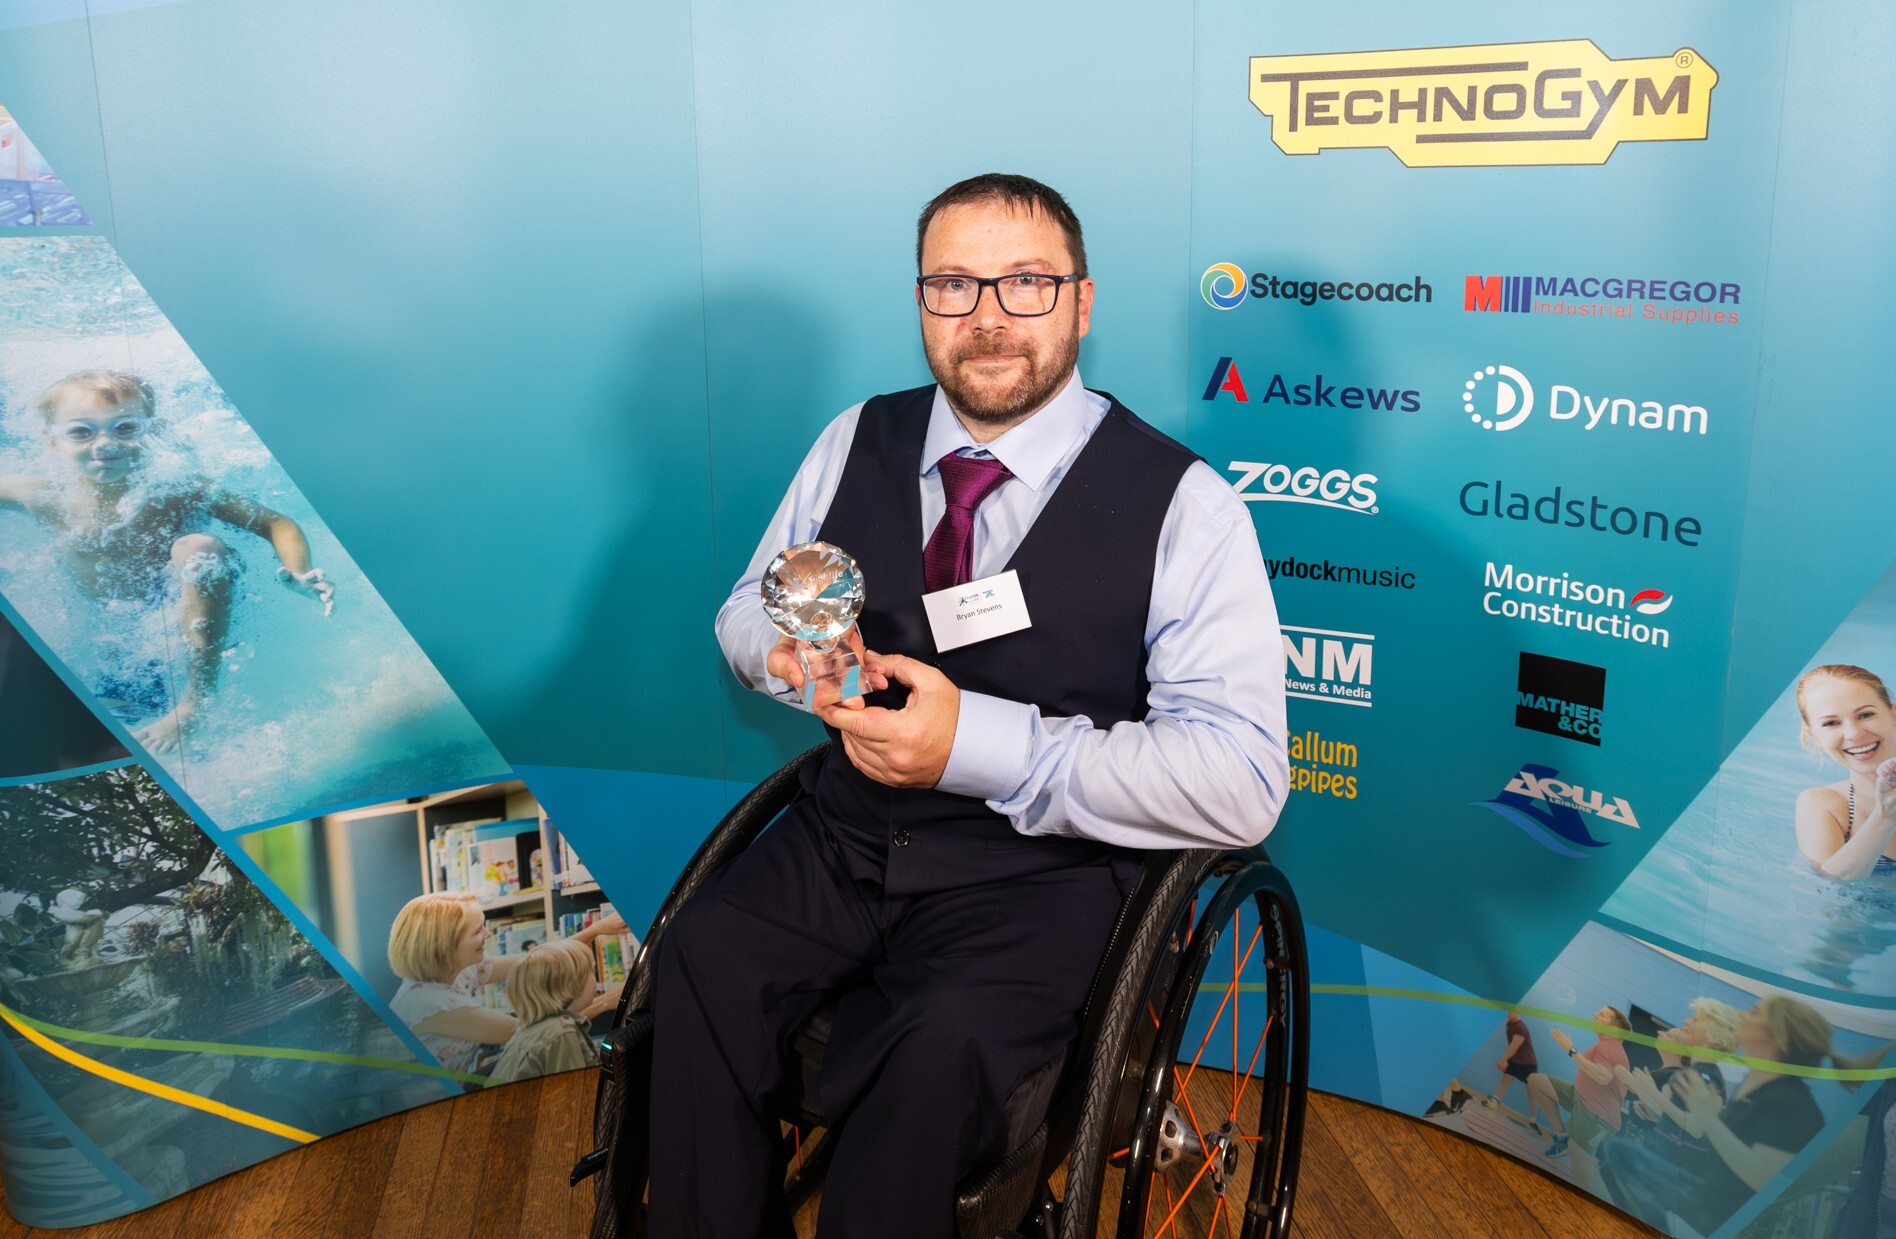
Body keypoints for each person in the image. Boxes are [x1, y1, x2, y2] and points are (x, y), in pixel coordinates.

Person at [649, 173, 1287, 1238]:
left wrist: (980, 746)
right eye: (954, 284)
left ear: (1082, 304)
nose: (988, 317)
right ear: (920, 303)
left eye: (1026, 283)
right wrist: (795, 659)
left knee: (934, 1052)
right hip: (842, 837)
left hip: (1040, 876)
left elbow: (1243, 782)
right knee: (699, 962)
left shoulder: (1191, 509)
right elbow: (742, 615)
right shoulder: (857, 438)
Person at [0, 370, 335, 753]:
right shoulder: (42, 495)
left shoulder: (175, 488)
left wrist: (298, 570)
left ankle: (196, 703)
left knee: (196, 547)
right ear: (52, 439)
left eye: (125, 428)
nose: (105, 443)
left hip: (201, 617)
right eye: (81, 432)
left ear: (151, 431)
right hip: (119, 646)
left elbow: (276, 522)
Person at [1601, 995, 1834, 1234]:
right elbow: (1714, 1136)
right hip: (1707, 1192)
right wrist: (1658, 1112)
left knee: (1619, 1153)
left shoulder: (1790, 1101)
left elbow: (1763, 1178)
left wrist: (1703, 1118)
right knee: (1617, 1153)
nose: (1742, 1015)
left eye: (1754, 1013)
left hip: (1718, 1212)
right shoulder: (1756, 1089)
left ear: (1778, 1038)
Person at [386, 891, 625, 1075]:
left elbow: (535, 961)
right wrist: (605, 1001)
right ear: (446, 945)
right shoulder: (429, 1004)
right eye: (477, 931)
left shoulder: (459, 969)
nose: (488, 935)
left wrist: (595, 930)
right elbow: (534, 1036)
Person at [1793, 664, 1896, 879]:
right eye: (1831, 723)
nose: (1854, 734)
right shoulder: (1825, 805)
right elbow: (1828, 891)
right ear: (1814, 736)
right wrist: (1885, 817)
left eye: (1866, 714)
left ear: (1893, 714)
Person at [1526, 1006, 1630, 1195]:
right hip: (1579, 1099)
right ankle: (1561, 1135)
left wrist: (1571, 1049)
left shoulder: (1610, 1046)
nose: (1595, 1014)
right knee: (1537, 1081)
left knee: (1579, 1159)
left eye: (1603, 1015)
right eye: (1597, 1012)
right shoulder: (1606, 1045)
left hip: (1599, 1119)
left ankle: (1588, 1206)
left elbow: (1603, 1077)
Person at [490, 938, 600, 1083]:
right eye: (592, 971)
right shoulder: (561, 1033)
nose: (596, 978)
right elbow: (573, 1096)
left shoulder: (536, 1029)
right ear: (572, 984)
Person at [1485, 1011, 1537, 1110]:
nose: (1507, 1013)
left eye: (1510, 1010)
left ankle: (1533, 1119)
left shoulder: (1521, 1028)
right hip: (1515, 1061)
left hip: (1528, 1064)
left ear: (1517, 1012)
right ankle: (1493, 1103)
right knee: (1505, 1081)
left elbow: (1514, 1046)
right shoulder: (1509, 1024)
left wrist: (1504, 1060)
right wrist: (1506, 1059)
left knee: (1532, 1094)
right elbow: (1511, 1045)